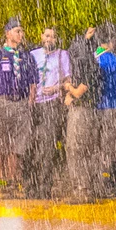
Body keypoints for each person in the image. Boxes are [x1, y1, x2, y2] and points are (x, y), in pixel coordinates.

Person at [0, 17, 38, 196]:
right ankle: (1, 184)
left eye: (22, 31)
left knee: (17, 146)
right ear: (8, 34)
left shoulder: (26, 56)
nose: (21, 34)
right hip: (2, 102)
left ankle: (13, 182)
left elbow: (33, 82)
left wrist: (30, 102)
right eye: (17, 31)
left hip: (21, 104)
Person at [24, 27, 70, 199]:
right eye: (47, 35)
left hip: (52, 105)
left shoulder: (62, 55)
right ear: (41, 36)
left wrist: (56, 87)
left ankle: (44, 187)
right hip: (33, 105)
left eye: (53, 36)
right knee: (31, 146)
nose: (50, 39)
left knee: (47, 148)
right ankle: (30, 186)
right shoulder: (33, 55)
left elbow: (68, 81)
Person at [63, 26, 101, 203]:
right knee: (78, 148)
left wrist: (68, 89)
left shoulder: (89, 66)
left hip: (83, 110)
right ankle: (82, 188)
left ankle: (83, 189)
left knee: (78, 149)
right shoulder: (87, 63)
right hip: (83, 110)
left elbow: (80, 91)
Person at [94, 26, 116, 198]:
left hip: (94, 108)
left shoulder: (93, 58)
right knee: (115, 147)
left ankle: (98, 181)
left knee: (98, 146)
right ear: (111, 42)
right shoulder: (114, 61)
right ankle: (115, 184)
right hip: (113, 106)